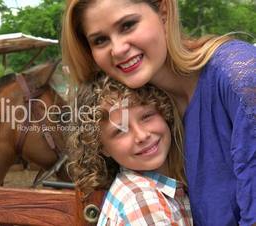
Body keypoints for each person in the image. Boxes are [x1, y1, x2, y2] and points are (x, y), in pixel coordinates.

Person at [61, 1, 256, 225]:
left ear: (163, 11)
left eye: (127, 25)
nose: (118, 49)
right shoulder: (148, 110)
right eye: (100, 40)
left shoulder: (240, 74)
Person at [67, 76, 192, 225]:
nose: (142, 135)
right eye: (120, 131)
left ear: (164, 111)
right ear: (101, 147)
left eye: (146, 116)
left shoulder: (130, 189)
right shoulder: (143, 201)